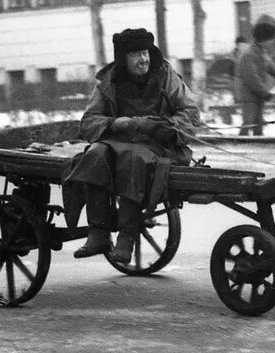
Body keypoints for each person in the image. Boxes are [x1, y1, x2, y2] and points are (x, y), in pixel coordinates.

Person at [64, 28, 200, 263]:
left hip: (158, 146)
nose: (143, 59)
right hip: (118, 141)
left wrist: (163, 126)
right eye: (136, 54)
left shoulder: (164, 76)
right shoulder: (108, 82)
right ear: (123, 58)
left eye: (145, 53)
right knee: (95, 154)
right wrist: (115, 123)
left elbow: (190, 113)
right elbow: (88, 122)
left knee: (133, 159)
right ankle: (98, 233)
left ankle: (126, 238)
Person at [237, 15, 275, 136]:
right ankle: (240, 145)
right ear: (264, 39)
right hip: (250, 96)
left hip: (258, 96)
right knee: (248, 123)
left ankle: (258, 145)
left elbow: (270, 66)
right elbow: (252, 78)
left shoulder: (261, 52)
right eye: (271, 39)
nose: (272, 42)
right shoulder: (248, 55)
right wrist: (265, 92)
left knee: (258, 123)